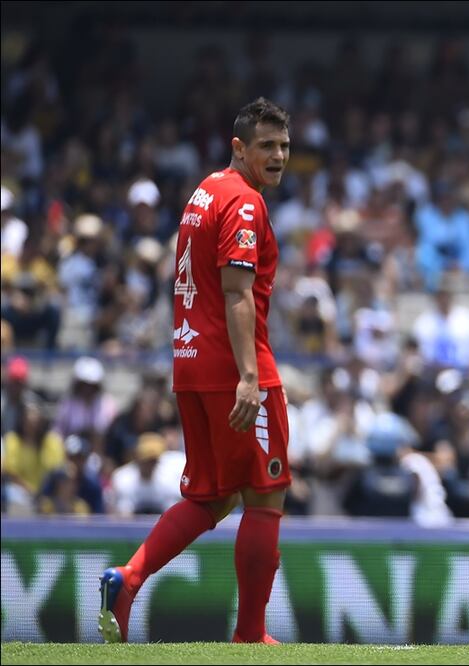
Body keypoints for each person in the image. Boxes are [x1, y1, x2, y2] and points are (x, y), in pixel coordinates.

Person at [98, 98, 292, 645]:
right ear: (239, 147)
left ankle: (128, 577)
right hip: (234, 370)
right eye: (266, 147)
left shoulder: (203, 193)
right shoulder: (245, 203)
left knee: (211, 495)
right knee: (265, 490)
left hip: (189, 366)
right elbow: (236, 292)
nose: (277, 156)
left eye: (283, 146)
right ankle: (251, 635)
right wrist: (250, 378)